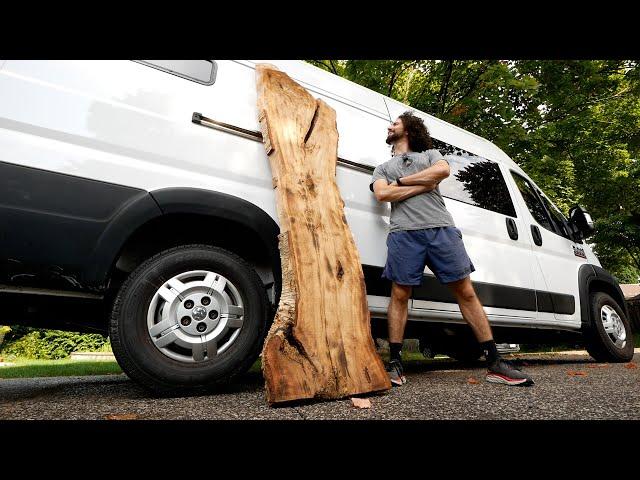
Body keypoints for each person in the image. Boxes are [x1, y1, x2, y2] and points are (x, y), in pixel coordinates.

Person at [370, 111, 534, 387]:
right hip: (403, 234)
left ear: (408, 129)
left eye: (395, 123)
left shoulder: (431, 154)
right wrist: (423, 184)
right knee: (399, 294)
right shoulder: (382, 168)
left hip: (441, 230)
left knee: (466, 292)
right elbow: (382, 194)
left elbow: (442, 171)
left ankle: (495, 362)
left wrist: (402, 183)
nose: (390, 126)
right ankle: (396, 363)